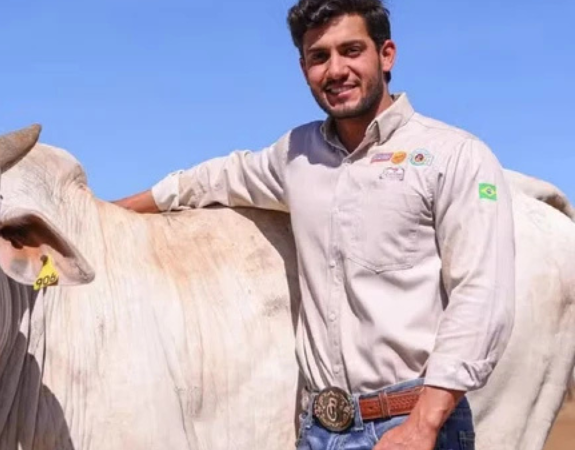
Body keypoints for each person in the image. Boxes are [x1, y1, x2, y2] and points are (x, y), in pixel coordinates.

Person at [112, 0, 515, 449]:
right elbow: (210, 180)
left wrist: (422, 425)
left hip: (413, 423)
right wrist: (106, 210)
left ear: (386, 55)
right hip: (321, 431)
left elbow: (482, 296)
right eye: (319, 57)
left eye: (351, 50)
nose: (336, 70)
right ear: (304, 68)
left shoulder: (454, 155)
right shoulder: (297, 155)